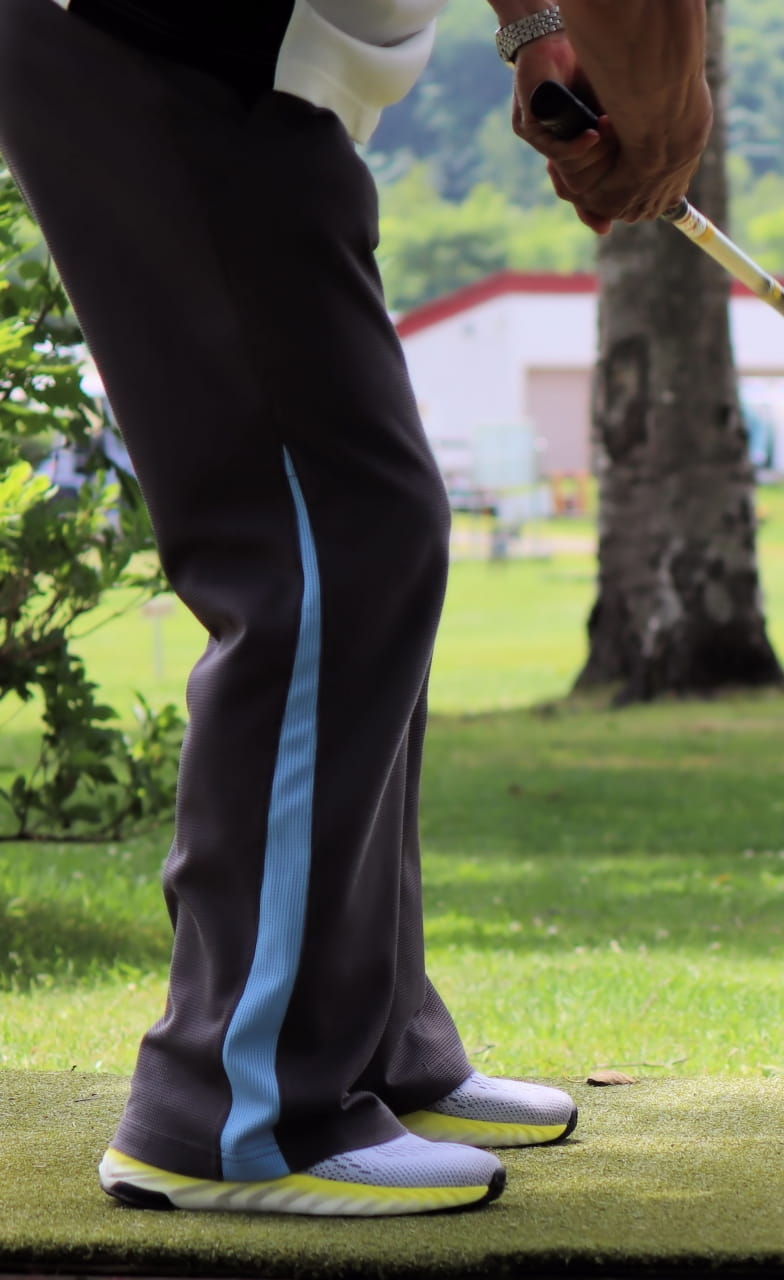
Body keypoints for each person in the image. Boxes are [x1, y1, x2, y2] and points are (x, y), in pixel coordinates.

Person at [0, 0, 713, 1217]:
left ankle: (366, 1047)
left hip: (263, 82)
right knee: (332, 543)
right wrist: (662, 110)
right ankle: (237, 1108)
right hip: (173, 51)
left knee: (375, 536)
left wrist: (536, 29)